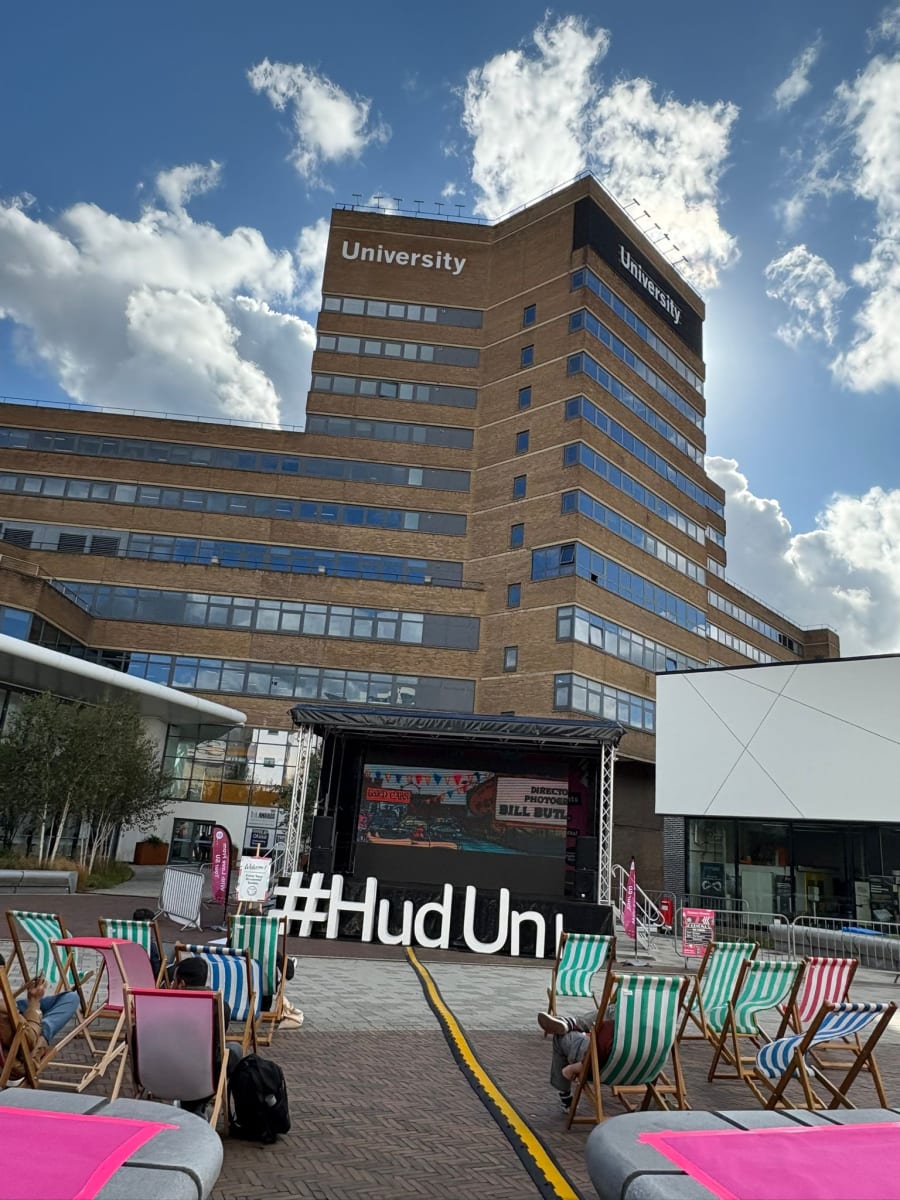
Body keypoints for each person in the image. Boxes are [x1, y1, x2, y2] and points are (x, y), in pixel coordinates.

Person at [0, 955, 80, 1080]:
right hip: (17, 1057)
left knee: (68, 997)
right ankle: (42, 1022)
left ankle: (38, 1014)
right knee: (71, 998)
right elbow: (29, 1042)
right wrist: (34, 1001)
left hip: (14, 1016)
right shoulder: (5, 1013)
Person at [537, 1010, 615, 1110]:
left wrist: (573, 1068)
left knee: (560, 1036)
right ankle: (570, 1023)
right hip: (630, 1072)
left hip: (599, 1065)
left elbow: (598, 1053)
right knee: (612, 1011)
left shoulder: (615, 1021)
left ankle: (565, 1095)